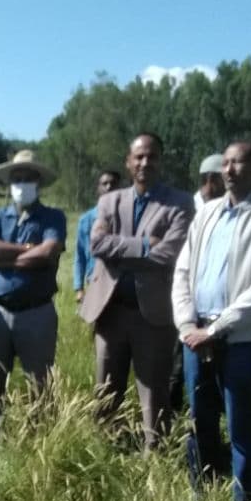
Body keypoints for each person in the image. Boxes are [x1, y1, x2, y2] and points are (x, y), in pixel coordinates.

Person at [172, 141, 251, 501]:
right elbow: (183, 271)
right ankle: (202, 490)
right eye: (224, 163)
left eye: (237, 162)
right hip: (196, 336)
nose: (229, 170)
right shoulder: (207, 212)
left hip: (239, 339)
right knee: (199, 420)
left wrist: (218, 327)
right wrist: (187, 324)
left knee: (241, 421)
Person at [78, 134, 193, 449]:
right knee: (105, 388)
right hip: (110, 311)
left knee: (154, 390)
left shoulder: (180, 203)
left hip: (153, 315)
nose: (145, 162)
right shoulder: (109, 201)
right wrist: (144, 245)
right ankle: (104, 449)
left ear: (161, 161)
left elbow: (169, 253)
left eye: (152, 156)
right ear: (128, 162)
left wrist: (119, 250)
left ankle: (154, 454)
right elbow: (96, 245)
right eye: (139, 157)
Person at [0, 149, 66, 427]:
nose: (22, 184)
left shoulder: (52, 217)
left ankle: (41, 437)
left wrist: (6, 259)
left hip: (36, 313)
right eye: (17, 179)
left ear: (38, 182)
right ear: (9, 183)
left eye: (28, 178)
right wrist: (28, 249)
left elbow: (48, 252)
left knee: (40, 383)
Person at [72, 170, 121, 301]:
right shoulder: (86, 219)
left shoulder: (127, 217)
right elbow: (80, 255)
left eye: (113, 183)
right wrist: (79, 288)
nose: (109, 187)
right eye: (104, 183)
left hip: (121, 283)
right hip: (94, 281)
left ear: (120, 187)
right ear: (98, 188)